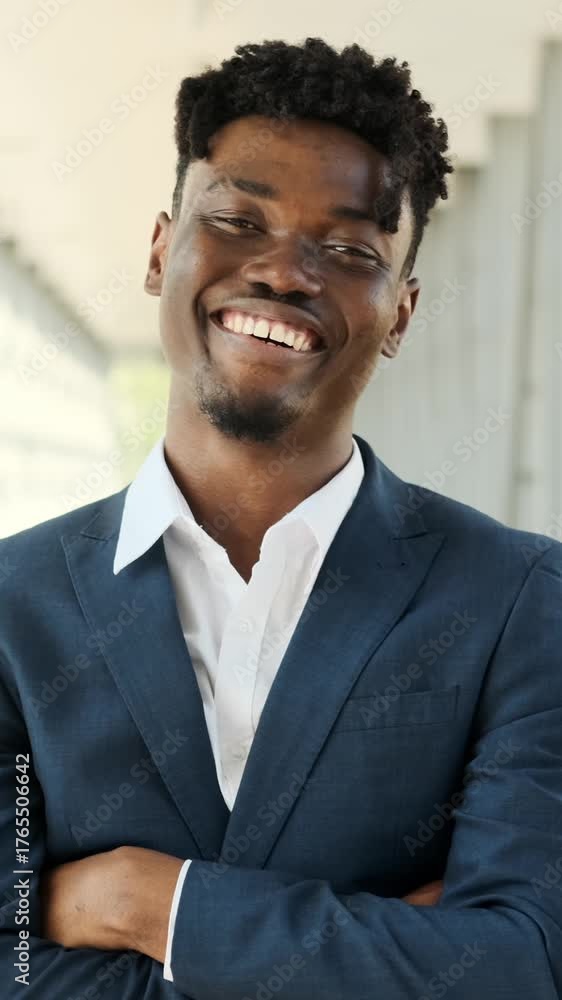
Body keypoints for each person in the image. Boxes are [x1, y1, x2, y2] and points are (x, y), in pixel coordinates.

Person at [1, 36, 561, 1000]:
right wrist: (386, 952)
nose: (285, 272)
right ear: (159, 252)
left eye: (348, 250)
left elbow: (519, 965)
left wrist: (145, 906)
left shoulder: (520, 598)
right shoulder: (13, 606)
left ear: (401, 314)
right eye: (237, 220)